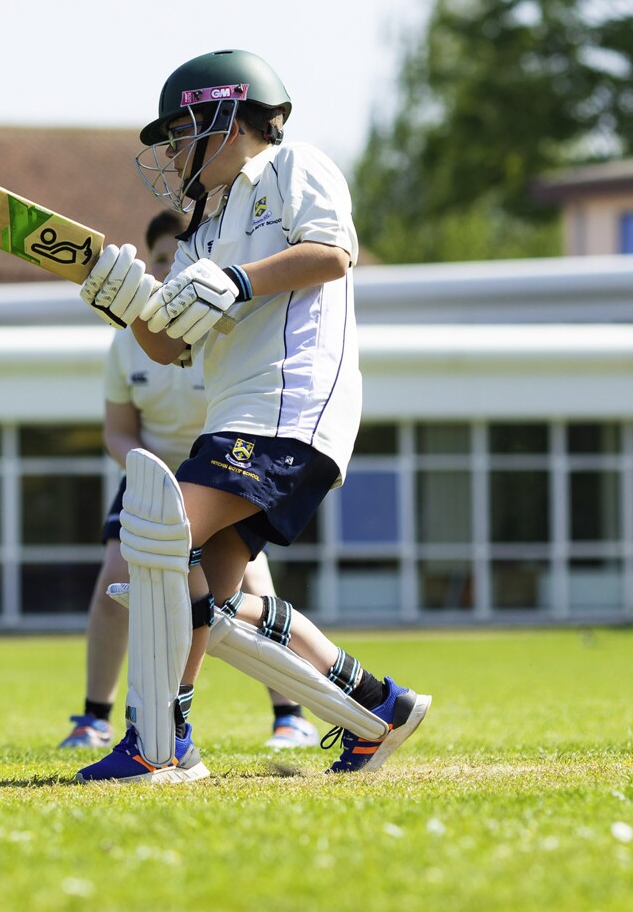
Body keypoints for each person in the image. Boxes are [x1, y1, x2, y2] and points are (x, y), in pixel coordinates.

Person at [72, 49, 431, 782]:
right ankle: (381, 708)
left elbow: (333, 254)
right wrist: (129, 306)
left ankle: (159, 744)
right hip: (236, 416)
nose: (172, 152)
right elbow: (169, 346)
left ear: (224, 117)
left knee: (159, 539)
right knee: (218, 597)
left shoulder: (294, 167)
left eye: (180, 132)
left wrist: (238, 281)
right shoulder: (203, 227)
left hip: (290, 403)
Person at [59, 208, 319, 753]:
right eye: (158, 260)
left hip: (223, 470)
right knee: (115, 581)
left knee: (252, 586)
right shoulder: (127, 341)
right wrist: (150, 474)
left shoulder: (228, 328)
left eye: (179, 261)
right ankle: (92, 718)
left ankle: (290, 716)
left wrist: (203, 483)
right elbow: (117, 432)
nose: (168, 271)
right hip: (151, 473)